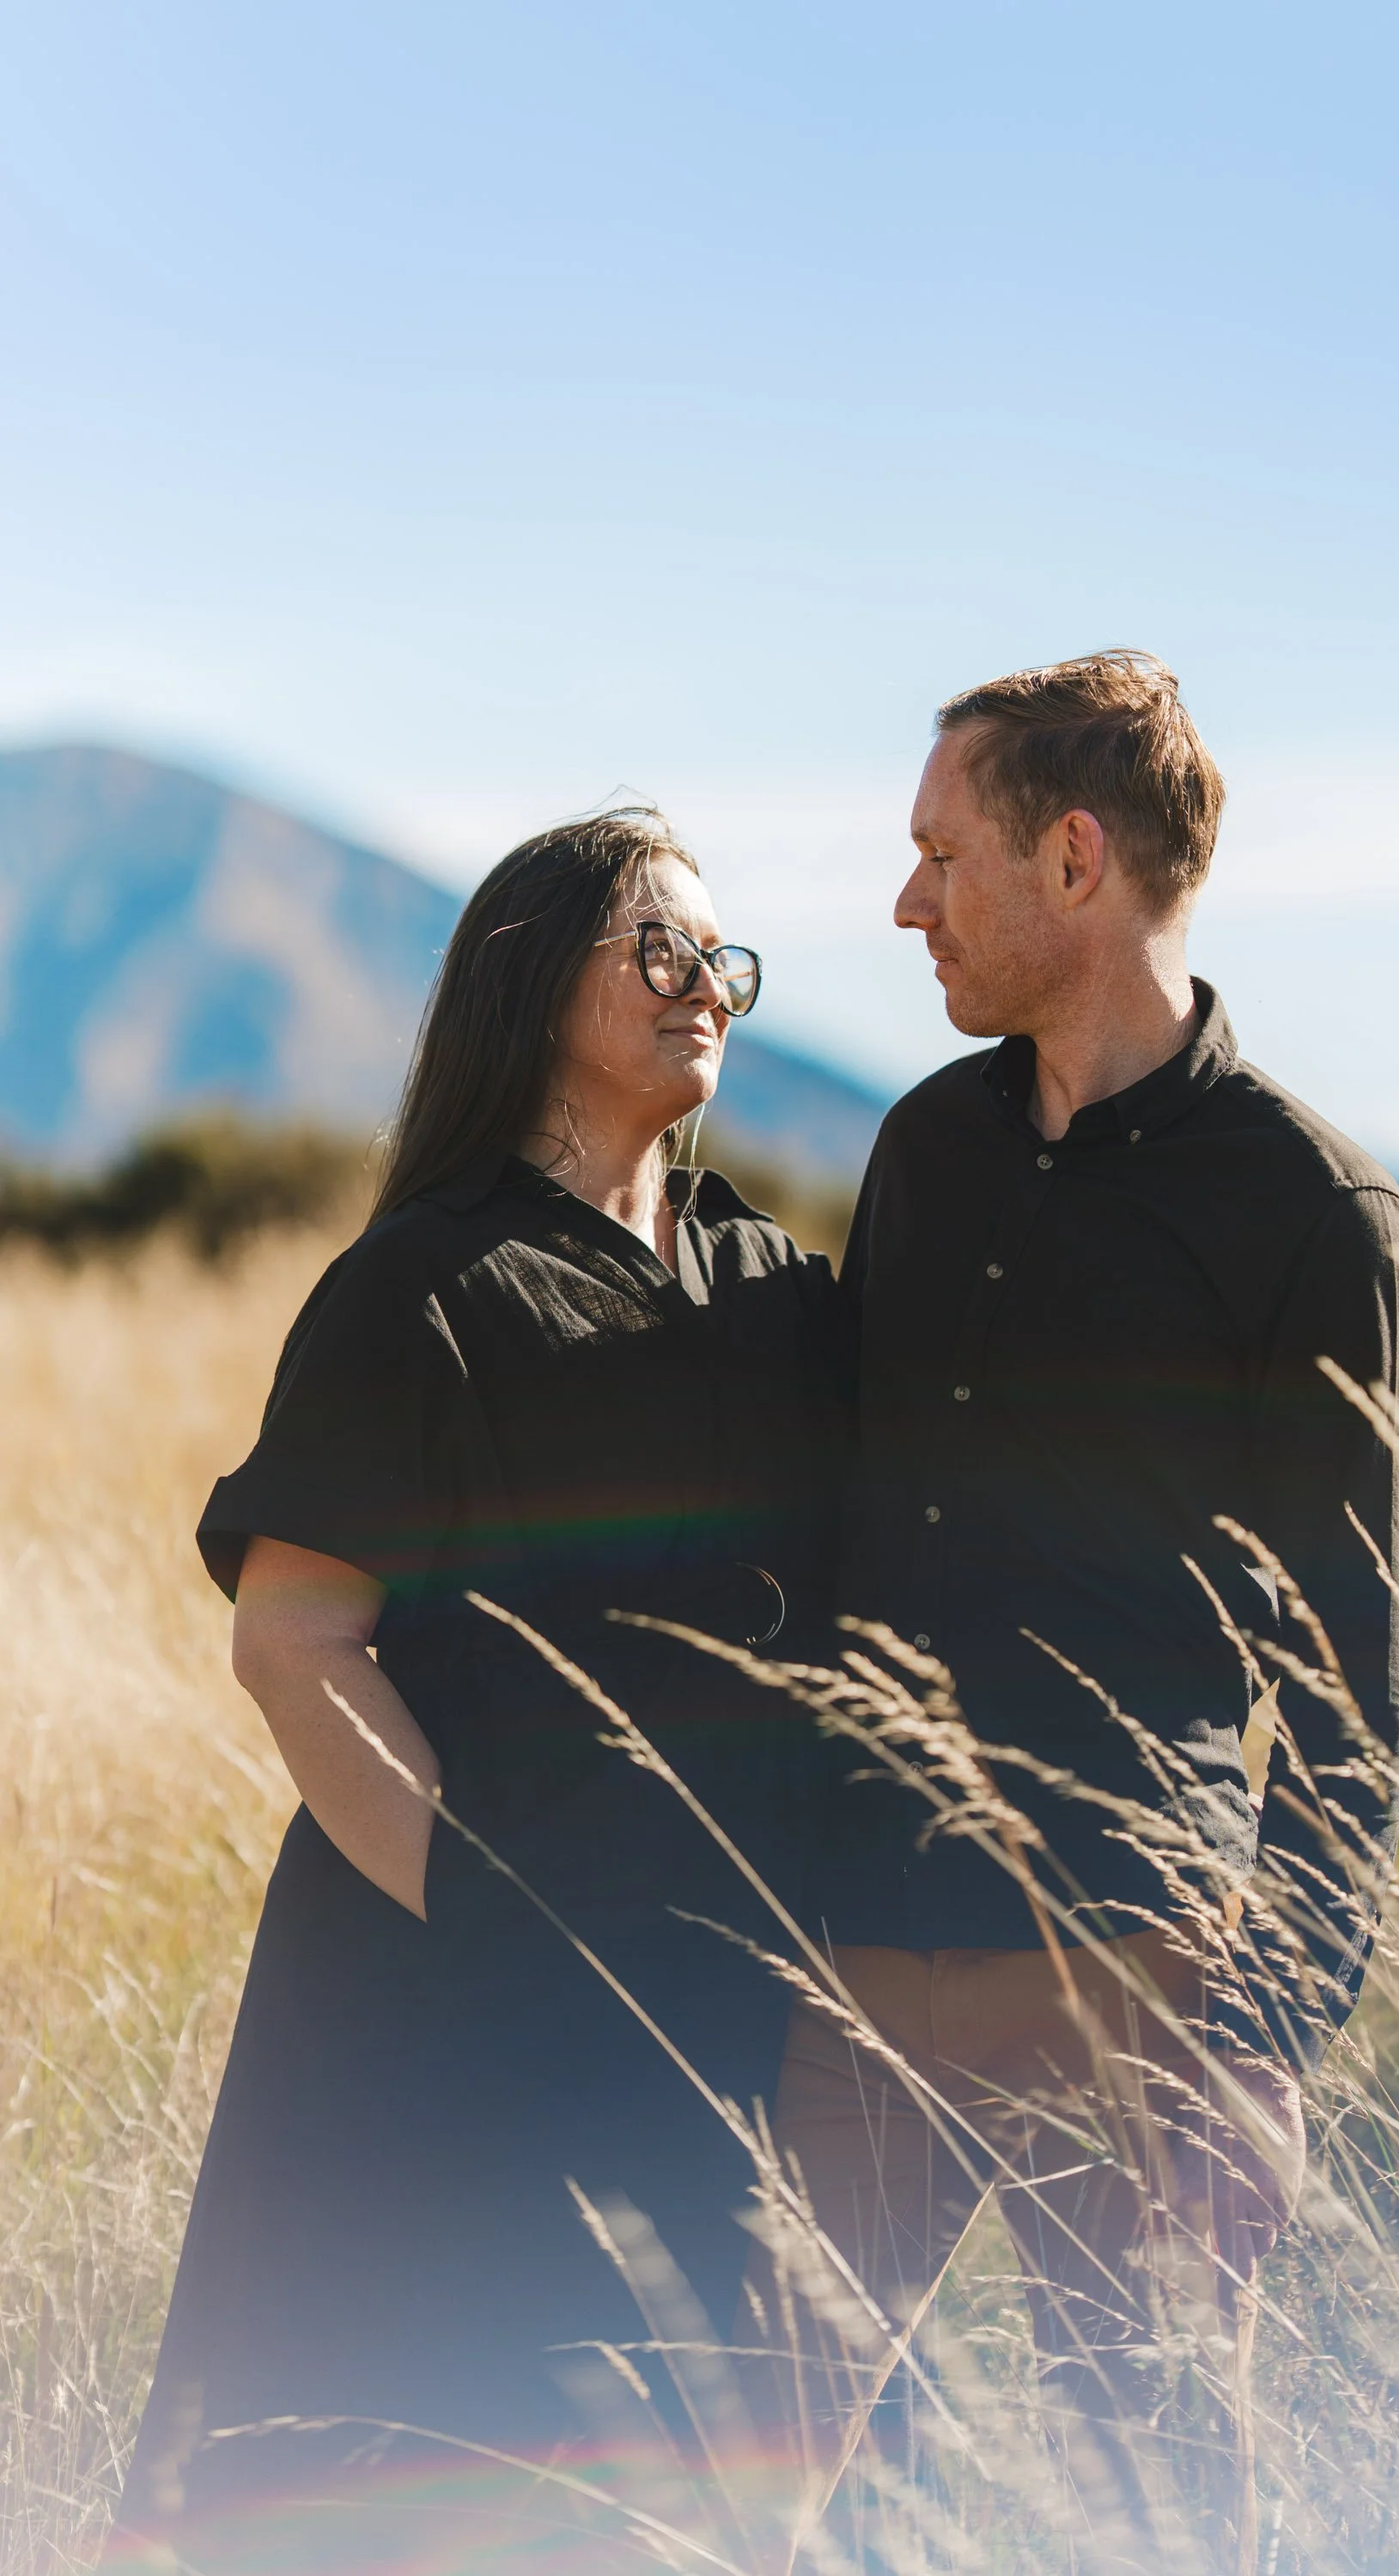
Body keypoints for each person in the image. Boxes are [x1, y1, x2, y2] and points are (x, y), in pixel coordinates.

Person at [109, 809, 849, 2574]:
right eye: (656, 947)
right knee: (419, 2473)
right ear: (533, 983)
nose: (704, 986)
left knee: (683, 2483)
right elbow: (294, 1641)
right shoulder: (423, 1286)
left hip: (722, 2000)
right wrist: (489, 1908)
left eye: (720, 958)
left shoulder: (772, 1294)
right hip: (448, 2003)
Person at [759, 653, 1399, 2573]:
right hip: (865, 1967)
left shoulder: (1312, 1216)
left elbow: (1346, 1688)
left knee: (1150, 2515)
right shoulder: (923, 1150)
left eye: (936, 854)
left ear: (1073, 859)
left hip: (1134, 1989)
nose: (906, 905)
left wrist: (1266, 2047)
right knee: (751, 2480)